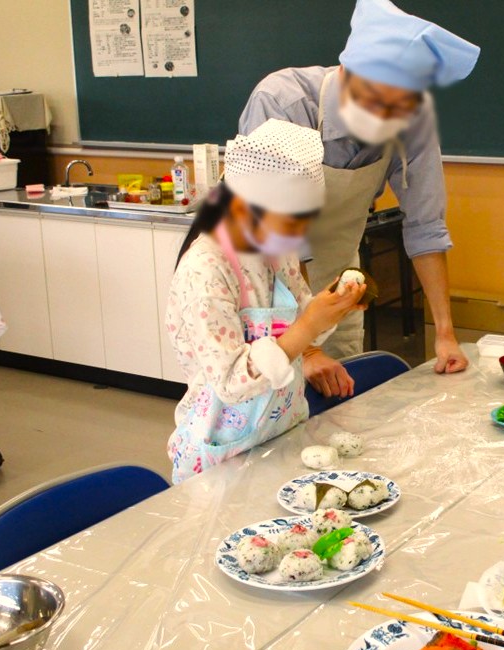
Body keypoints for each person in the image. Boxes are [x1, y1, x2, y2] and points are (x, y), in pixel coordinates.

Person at [239, 0, 480, 398]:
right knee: (270, 404)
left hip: (339, 282)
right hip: (267, 285)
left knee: (340, 406)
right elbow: (275, 231)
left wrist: (445, 335)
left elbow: (426, 228)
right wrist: (306, 345)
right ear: (346, 72)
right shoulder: (285, 102)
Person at [166, 120, 366, 484]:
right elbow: (231, 381)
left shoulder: (276, 252)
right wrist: (309, 324)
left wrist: (330, 309)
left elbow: (303, 327)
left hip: (279, 433)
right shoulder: (206, 270)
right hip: (221, 452)